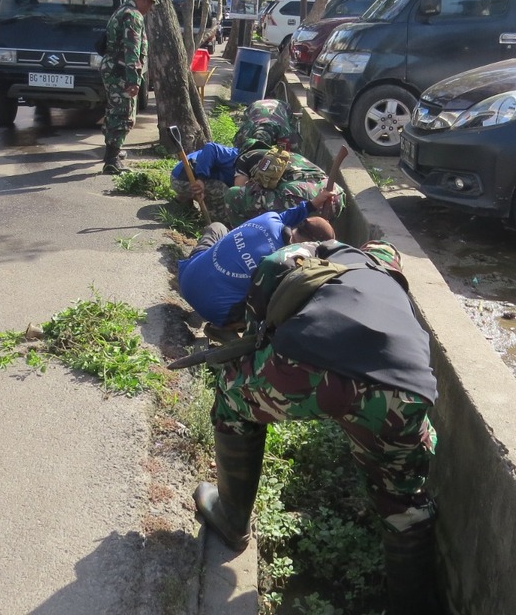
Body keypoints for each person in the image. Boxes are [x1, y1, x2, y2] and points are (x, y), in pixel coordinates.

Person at [194, 239, 439, 615]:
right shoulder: (386, 278)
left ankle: (232, 519)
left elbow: (259, 314)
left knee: (232, 394)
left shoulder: (303, 254)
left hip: (311, 367)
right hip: (404, 387)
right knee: (405, 501)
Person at [177, 189, 335, 330]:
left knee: (218, 227)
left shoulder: (269, 219)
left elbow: (288, 216)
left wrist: (312, 204)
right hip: (215, 312)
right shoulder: (286, 263)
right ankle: (228, 332)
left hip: (186, 277)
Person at [100, 0, 156, 173]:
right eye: (149, 1)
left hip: (113, 68)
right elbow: (131, 50)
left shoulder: (121, 11)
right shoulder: (132, 15)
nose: (150, 6)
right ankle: (111, 160)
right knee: (123, 114)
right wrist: (133, 80)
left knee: (114, 110)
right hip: (121, 72)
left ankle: (113, 151)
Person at [224, 146, 346, 223]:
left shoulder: (244, 158)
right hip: (335, 195)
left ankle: (243, 240)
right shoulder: (289, 155)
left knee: (234, 195)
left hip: (301, 196)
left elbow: (240, 188)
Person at [171, 141, 241, 225]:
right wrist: (201, 179)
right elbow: (210, 147)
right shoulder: (234, 156)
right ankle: (219, 223)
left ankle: (182, 201)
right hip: (183, 178)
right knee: (220, 190)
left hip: (189, 179)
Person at [233, 98, 297, 152]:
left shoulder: (284, 132)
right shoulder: (248, 128)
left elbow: (288, 153)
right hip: (256, 106)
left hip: (281, 106)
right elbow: (237, 144)